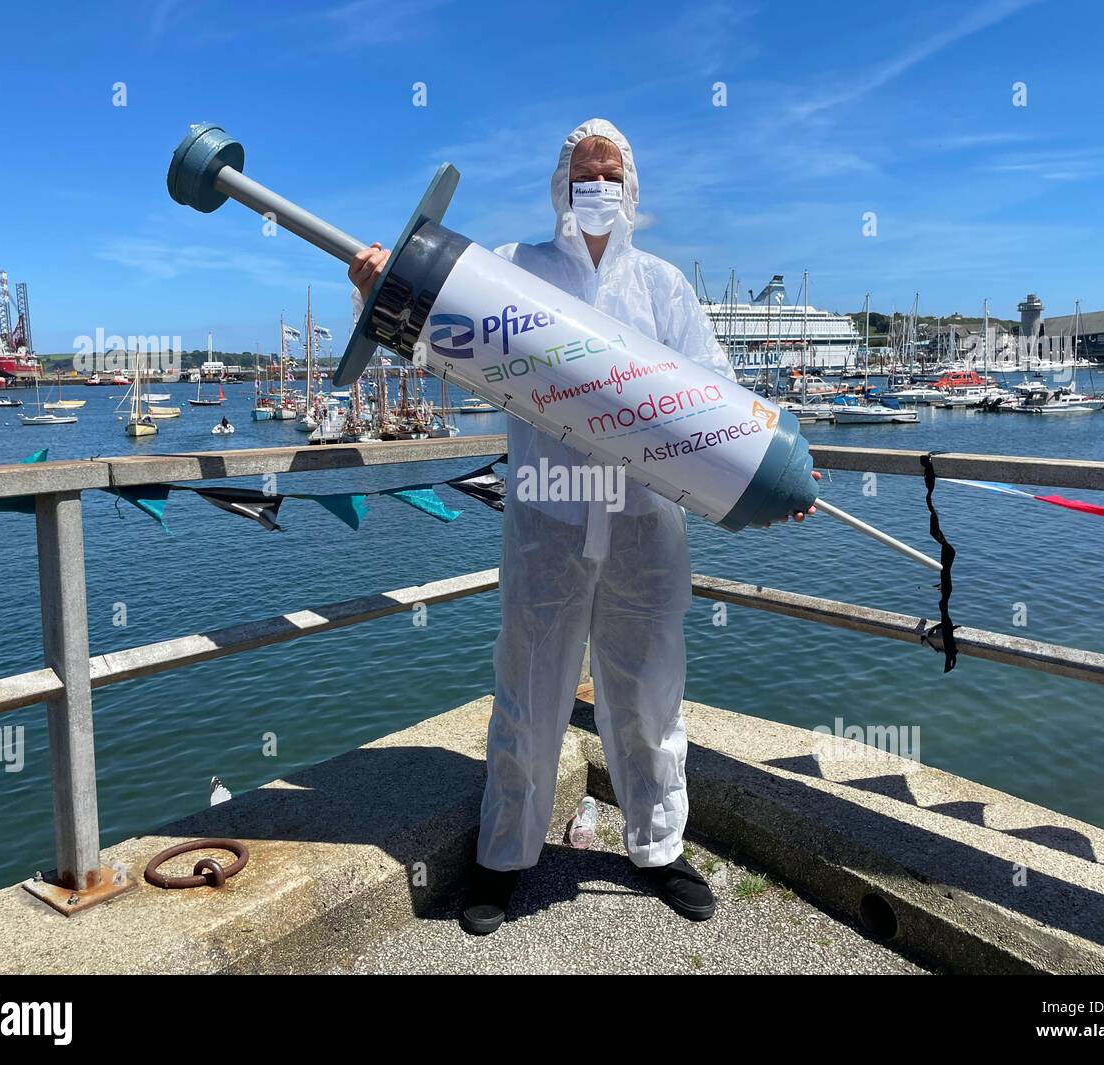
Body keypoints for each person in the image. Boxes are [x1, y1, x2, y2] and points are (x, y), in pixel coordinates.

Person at [350, 119, 818, 936]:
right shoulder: (513, 272)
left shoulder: (666, 288)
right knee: (528, 692)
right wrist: (381, 293)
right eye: (583, 172)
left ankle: (659, 845)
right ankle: (504, 854)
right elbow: (440, 341)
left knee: (649, 694)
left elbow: (721, 397)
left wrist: (769, 478)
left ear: (631, 186)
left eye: (609, 172)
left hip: (646, 522)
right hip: (548, 518)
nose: (596, 185)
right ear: (560, 185)